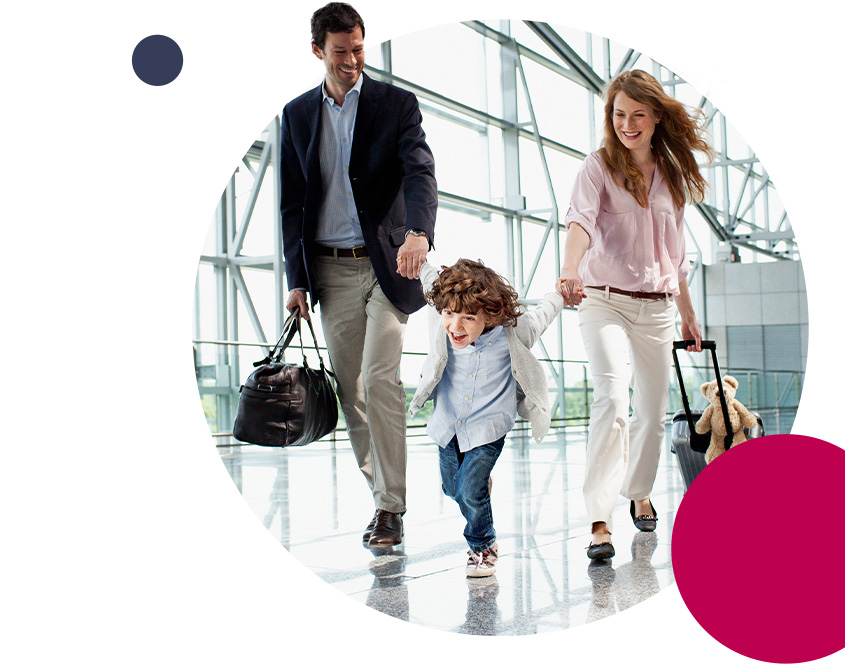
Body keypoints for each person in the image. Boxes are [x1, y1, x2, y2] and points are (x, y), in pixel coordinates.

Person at [279, 2, 437, 548]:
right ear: (319, 51)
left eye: (359, 50)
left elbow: (419, 170)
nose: (352, 62)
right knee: (354, 393)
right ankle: (381, 494)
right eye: (341, 52)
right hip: (329, 271)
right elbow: (291, 204)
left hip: (388, 264)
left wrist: (419, 232)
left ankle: (392, 507)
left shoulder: (396, 105)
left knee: (379, 378)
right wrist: (296, 279)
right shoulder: (298, 115)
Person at [557, 69, 712, 560]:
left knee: (650, 410)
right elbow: (580, 222)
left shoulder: (670, 175)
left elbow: (677, 253)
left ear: (655, 117)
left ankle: (637, 489)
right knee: (610, 399)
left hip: (659, 308)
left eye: (637, 114)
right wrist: (569, 268)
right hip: (602, 298)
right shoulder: (598, 166)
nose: (627, 124)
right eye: (619, 114)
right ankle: (599, 519)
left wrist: (687, 313)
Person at [409, 259, 565, 577]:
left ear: (491, 314)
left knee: (468, 490)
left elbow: (543, 315)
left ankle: (483, 546)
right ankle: (479, 486)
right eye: (450, 314)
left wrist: (562, 294)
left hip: (489, 425)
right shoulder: (442, 317)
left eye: (468, 318)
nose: (455, 326)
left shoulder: (513, 333)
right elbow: (429, 279)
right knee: (452, 488)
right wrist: (418, 259)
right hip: (448, 423)